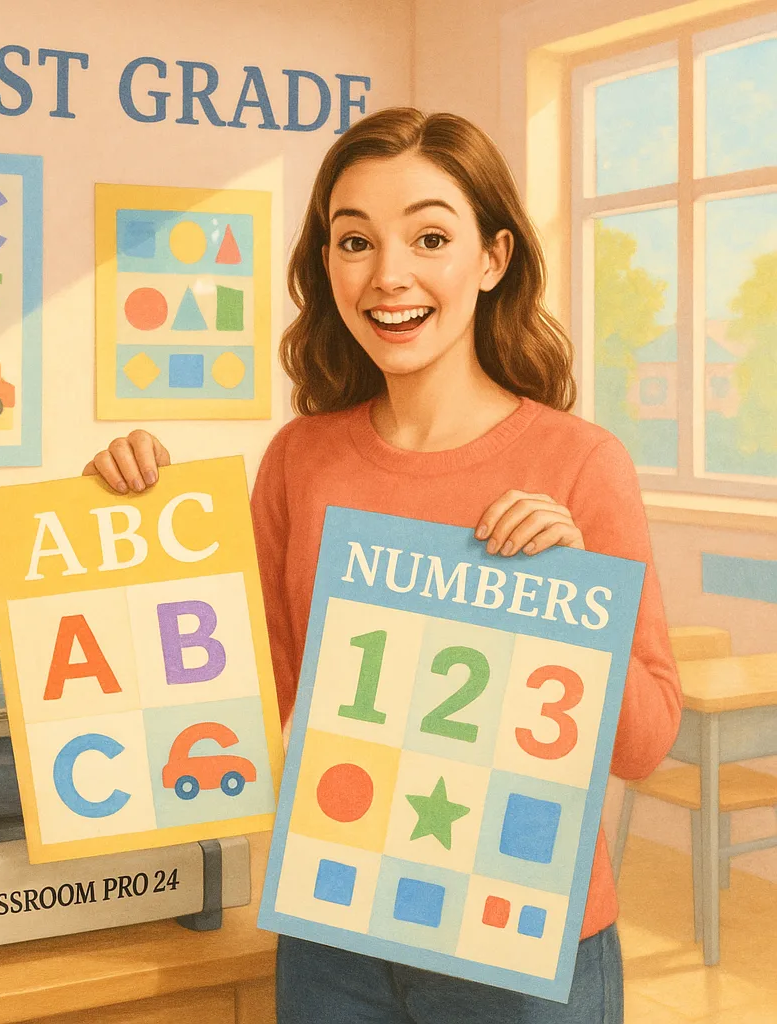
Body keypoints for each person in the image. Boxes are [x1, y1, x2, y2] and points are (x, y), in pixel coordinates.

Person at [85, 107, 681, 1024]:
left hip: (520, 942)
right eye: (353, 240)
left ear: (493, 259)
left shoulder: (580, 462)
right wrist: (137, 531)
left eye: (431, 236)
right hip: (337, 933)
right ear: (326, 265)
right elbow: (255, 701)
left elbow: (644, 745)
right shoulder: (300, 460)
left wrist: (575, 594)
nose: (388, 276)